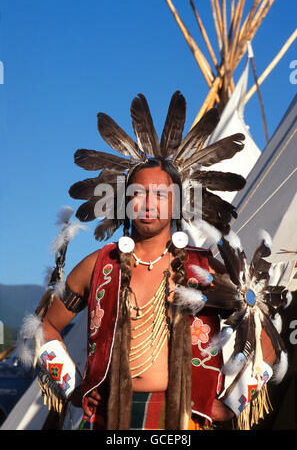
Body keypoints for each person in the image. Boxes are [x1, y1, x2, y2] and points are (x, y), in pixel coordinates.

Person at [31, 92, 280, 430]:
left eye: (160, 195)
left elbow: (266, 340)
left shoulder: (204, 270)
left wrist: (233, 404)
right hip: (108, 419)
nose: (148, 203)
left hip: (183, 421)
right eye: (139, 193)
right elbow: (46, 326)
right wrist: (74, 388)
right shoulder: (99, 266)